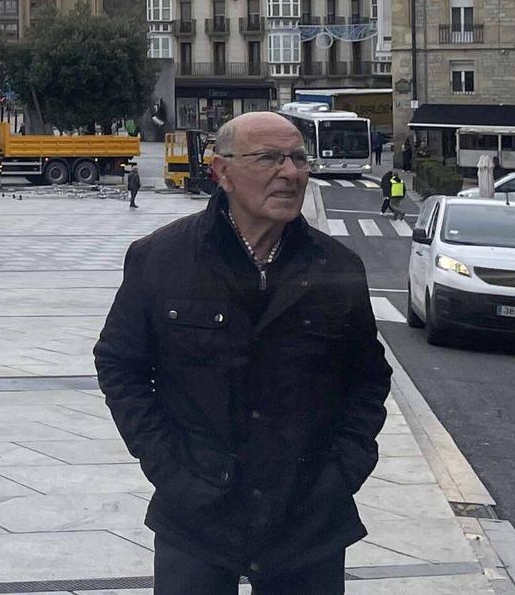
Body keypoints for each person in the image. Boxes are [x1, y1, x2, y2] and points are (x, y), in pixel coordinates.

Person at [95, 110, 390, 594]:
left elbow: (368, 379)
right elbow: (119, 364)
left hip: (307, 519)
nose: (291, 173)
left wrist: (343, 471)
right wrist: (166, 466)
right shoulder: (160, 258)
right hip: (197, 517)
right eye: (269, 158)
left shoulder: (337, 267)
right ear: (222, 172)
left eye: (298, 158)